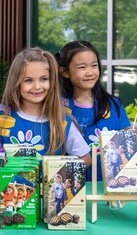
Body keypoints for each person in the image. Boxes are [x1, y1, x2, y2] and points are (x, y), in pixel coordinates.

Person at [0, 48, 91, 166]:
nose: (37, 86)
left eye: (44, 79)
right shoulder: (1, 118)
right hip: (12, 185)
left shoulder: (62, 121)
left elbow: (86, 158)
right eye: (28, 80)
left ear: (52, 81)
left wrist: (58, 173)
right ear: (16, 83)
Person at [56, 40, 131, 181]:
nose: (90, 72)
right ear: (65, 72)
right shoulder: (58, 107)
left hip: (108, 188)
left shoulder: (114, 105)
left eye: (94, 65)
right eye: (82, 67)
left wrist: (132, 136)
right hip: (71, 189)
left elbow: (126, 140)